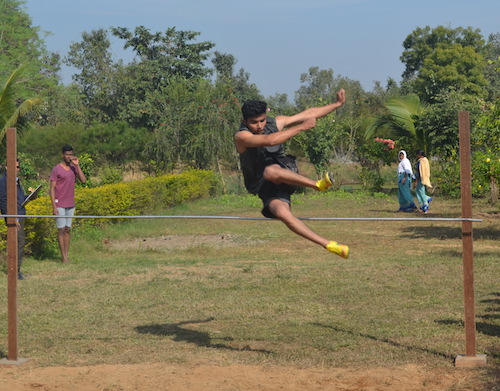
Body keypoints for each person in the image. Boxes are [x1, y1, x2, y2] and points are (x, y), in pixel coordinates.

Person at [234, 89, 349, 258]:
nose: (259, 126)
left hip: (285, 173)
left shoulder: (275, 123)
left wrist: (337, 104)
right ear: (245, 121)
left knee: (271, 170)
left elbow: (309, 113)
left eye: (262, 120)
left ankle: (318, 185)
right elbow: (270, 140)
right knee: (283, 214)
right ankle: (330, 245)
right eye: (254, 122)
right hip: (264, 187)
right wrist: (301, 128)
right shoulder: (241, 136)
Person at [50, 145, 86, 263]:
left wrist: (77, 165)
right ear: (62, 155)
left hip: (70, 204)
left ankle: (67, 254)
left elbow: (83, 180)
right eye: (67, 155)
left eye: (70, 154)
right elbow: (51, 189)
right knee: (60, 229)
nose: (69, 157)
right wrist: (54, 207)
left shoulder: (73, 168)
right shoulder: (57, 169)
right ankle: (63, 257)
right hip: (59, 203)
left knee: (67, 229)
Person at [0, 159, 35, 280]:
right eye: (14, 167)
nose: (16, 169)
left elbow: (19, 199)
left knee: (20, 243)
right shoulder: (4, 182)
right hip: (13, 217)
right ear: (6, 167)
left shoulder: (16, 181)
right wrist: (11, 217)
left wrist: (30, 197)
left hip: (20, 215)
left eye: (18, 167)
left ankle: (17, 270)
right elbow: (3, 202)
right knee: (17, 243)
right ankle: (14, 272)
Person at [413, 149, 433, 213]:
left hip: (420, 179)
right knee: (421, 191)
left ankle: (425, 205)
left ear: (419, 155)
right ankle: (423, 206)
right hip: (424, 178)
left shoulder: (421, 161)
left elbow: (419, 172)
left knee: (420, 193)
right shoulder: (426, 160)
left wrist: (416, 181)